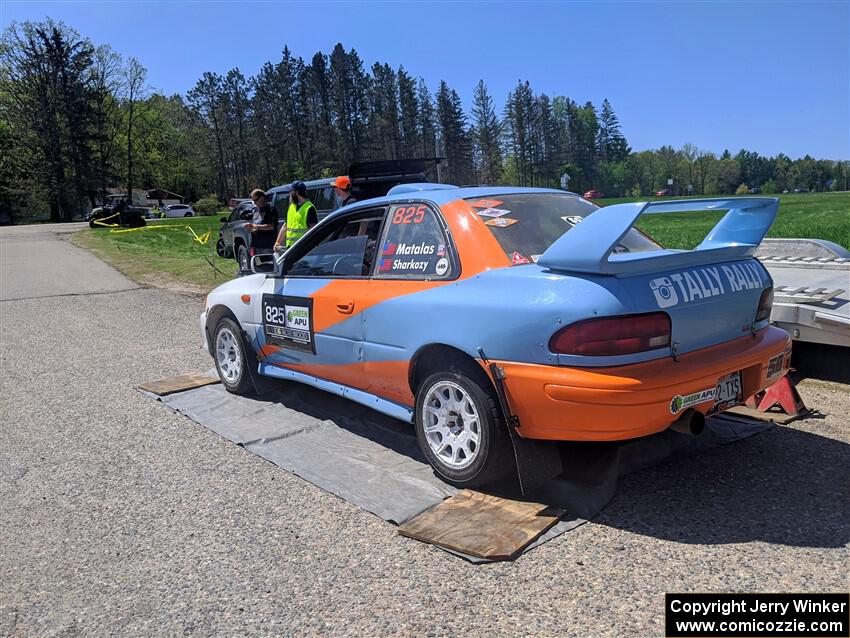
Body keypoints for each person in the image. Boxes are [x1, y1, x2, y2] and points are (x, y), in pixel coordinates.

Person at [274, 181, 317, 252]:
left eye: (291, 192)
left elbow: (313, 230)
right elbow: (285, 226)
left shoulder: (309, 208)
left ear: (296, 192)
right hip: (290, 249)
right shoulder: (292, 207)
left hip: (303, 249)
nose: (289, 195)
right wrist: (277, 242)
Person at [245, 188, 278, 260]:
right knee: (258, 268)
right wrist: (250, 227)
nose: (254, 203)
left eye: (256, 200)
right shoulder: (255, 210)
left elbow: (271, 226)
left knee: (269, 267)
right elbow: (254, 224)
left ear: (262, 198)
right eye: (253, 201)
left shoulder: (270, 209)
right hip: (256, 245)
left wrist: (255, 226)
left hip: (267, 246)